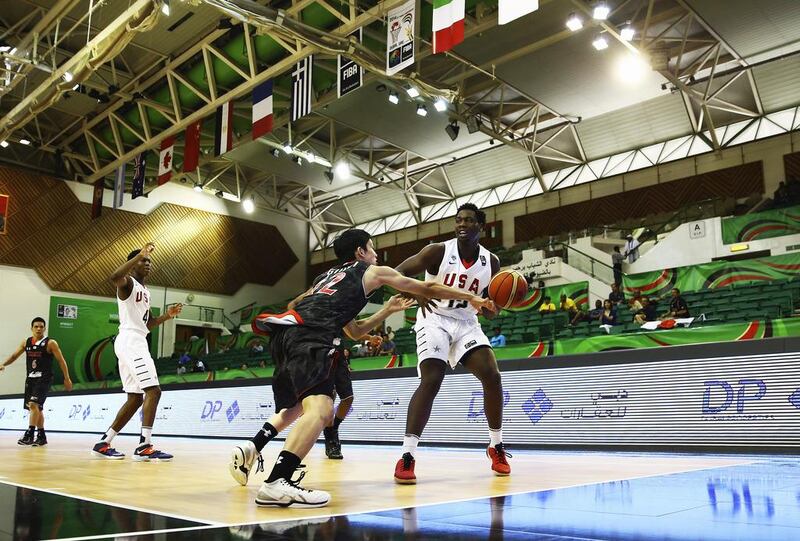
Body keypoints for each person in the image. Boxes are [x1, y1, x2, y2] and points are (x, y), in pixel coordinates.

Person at [229, 228, 492, 507]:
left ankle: (259, 453)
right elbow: (426, 288)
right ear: (360, 252)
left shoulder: (325, 278)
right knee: (321, 410)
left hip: (289, 335)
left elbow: (353, 331)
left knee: (299, 409)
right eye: (372, 248)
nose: (376, 254)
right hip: (311, 337)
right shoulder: (372, 272)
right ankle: (277, 481)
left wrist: (387, 311)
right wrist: (472, 297)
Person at [392, 202, 509, 485]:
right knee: (433, 378)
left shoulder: (491, 262)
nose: (462, 225)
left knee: (492, 376)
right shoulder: (438, 251)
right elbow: (395, 273)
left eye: (469, 221)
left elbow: (491, 307)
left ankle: (496, 446)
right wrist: (418, 291)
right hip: (434, 319)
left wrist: (493, 309)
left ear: (481, 227)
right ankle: (407, 455)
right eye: (458, 220)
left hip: (467, 322)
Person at [91, 243, 182, 461]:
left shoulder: (146, 292)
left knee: (135, 398)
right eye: (143, 260)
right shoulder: (127, 283)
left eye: (149, 261)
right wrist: (138, 254)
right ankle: (144, 445)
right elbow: (114, 276)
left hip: (134, 340)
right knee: (154, 391)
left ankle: (104, 442)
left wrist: (167, 316)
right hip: (131, 341)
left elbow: (147, 324)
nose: (147, 263)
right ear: (132, 266)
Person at [0, 317, 73, 446]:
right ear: (32, 328)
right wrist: (3, 364)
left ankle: (29, 434)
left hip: (44, 378)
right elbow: (14, 356)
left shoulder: (51, 343)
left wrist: (67, 378)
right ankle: (41, 435)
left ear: (44, 328)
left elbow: (61, 361)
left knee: (33, 404)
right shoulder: (26, 342)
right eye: (36, 326)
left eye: (41, 326)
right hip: (30, 379)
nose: (39, 328)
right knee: (36, 408)